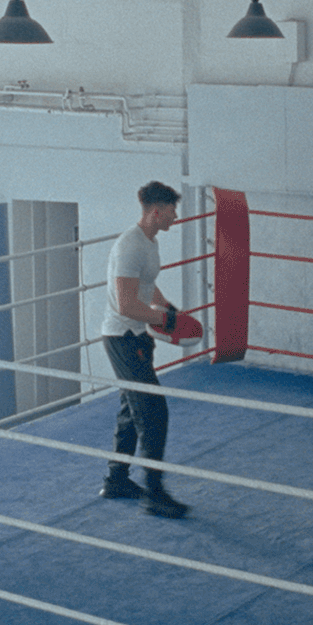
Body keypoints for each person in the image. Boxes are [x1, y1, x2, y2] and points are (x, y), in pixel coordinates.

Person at [99, 181, 192, 518]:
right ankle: (154, 492)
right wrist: (163, 319)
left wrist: (167, 307)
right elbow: (125, 304)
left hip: (136, 337)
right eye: (171, 210)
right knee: (152, 410)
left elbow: (146, 285)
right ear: (157, 211)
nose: (176, 216)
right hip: (122, 337)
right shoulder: (130, 247)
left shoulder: (149, 243)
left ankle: (117, 479)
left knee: (130, 408)